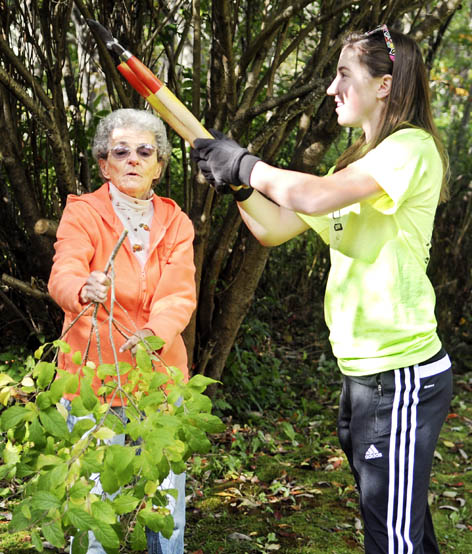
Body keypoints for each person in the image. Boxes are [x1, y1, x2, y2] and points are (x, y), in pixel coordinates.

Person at [193, 26, 451, 554]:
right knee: (402, 530)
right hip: (363, 377)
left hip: (399, 376)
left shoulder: (410, 150)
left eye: (343, 75)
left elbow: (307, 196)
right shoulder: (356, 166)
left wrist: (244, 161)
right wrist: (239, 185)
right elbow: (275, 226)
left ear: (384, 85)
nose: (332, 89)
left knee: (393, 539)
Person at [48, 108, 196, 554]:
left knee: (164, 504)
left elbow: (178, 295)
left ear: (160, 165)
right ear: (103, 163)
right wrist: (82, 287)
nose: (133, 159)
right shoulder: (83, 214)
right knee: (94, 506)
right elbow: (63, 272)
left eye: (144, 151)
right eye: (121, 151)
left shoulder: (176, 222)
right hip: (92, 378)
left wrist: (153, 333)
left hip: (159, 377)